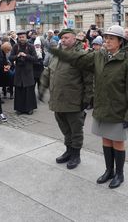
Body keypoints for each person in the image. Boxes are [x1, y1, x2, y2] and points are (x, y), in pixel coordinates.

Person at [49, 25, 128, 188]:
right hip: (102, 107)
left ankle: (119, 174)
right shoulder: (99, 56)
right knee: (106, 140)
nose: (107, 41)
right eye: (106, 38)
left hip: (119, 109)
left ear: (120, 41)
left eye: (112, 38)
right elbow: (80, 61)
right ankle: (108, 171)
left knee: (117, 142)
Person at [39, 28, 93, 170]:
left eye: (67, 38)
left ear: (74, 39)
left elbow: (89, 80)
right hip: (57, 99)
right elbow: (47, 73)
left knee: (75, 129)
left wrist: (87, 99)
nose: (63, 40)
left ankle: (76, 154)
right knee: (64, 128)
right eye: (62, 38)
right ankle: (68, 151)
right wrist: (42, 89)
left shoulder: (81, 55)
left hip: (74, 100)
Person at [9, 30, 38, 115]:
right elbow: (10, 58)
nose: (21, 39)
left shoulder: (31, 46)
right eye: (20, 37)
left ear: (26, 37)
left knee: (29, 91)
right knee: (19, 91)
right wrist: (17, 56)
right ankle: (19, 109)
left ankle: (30, 108)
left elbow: (35, 58)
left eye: (23, 37)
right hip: (18, 72)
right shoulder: (15, 46)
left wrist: (26, 55)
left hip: (28, 72)